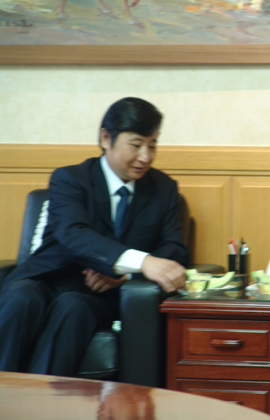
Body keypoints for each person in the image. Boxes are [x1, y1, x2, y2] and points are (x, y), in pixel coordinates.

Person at [0, 97, 190, 376]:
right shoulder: (70, 179)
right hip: (49, 278)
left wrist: (126, 274)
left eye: (152, 145)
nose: (146, 157)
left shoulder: (163, 188)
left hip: (97, 296)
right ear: (105, 138)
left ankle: (41, 398)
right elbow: (73, 234)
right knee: (21, 297)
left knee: (73, 307)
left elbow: (174, 248)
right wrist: (141, 261)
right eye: (136, 144)